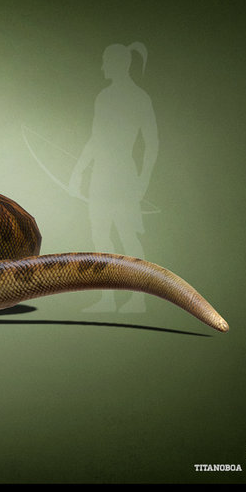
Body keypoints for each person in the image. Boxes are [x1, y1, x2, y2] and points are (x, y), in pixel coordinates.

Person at [68, 42, 157, 313]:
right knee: (100, 236)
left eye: (107, 61)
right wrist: (79, 171)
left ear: (119, 63)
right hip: (101, 175)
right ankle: (107, 298)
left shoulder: (139, 97)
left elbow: (152, 143)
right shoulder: (103, 97)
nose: (103, 66)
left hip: (123, 174)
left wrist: (142, 179)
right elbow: (96, 139)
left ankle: (138, 298)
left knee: (127, 234)